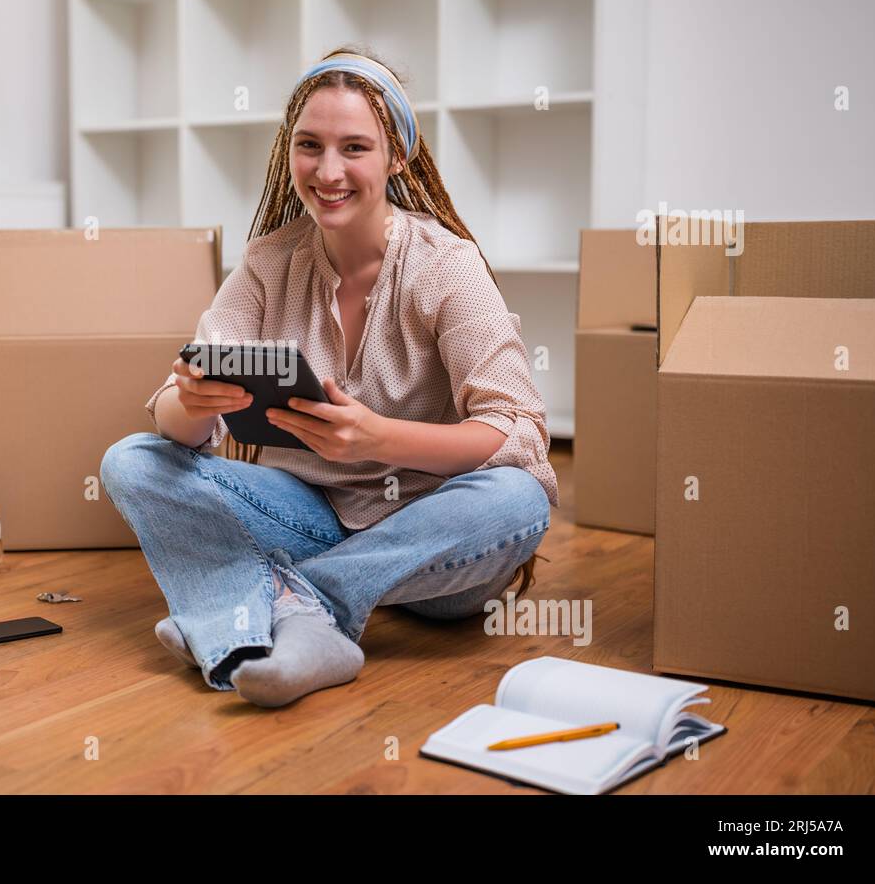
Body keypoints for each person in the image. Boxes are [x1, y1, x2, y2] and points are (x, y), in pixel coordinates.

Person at [100, 46, 559, 708]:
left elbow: (518, 429)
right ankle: (307, 622)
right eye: (309, 145)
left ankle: (254, 610)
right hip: (308, 514)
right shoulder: (267, 263)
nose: (328, 170)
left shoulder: (447, 267)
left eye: (355, 148)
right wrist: (194, 399)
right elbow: (176, 421)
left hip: (433, 546)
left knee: (519, 499)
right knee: (133, 461)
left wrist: (378, 440)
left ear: (396, 156)